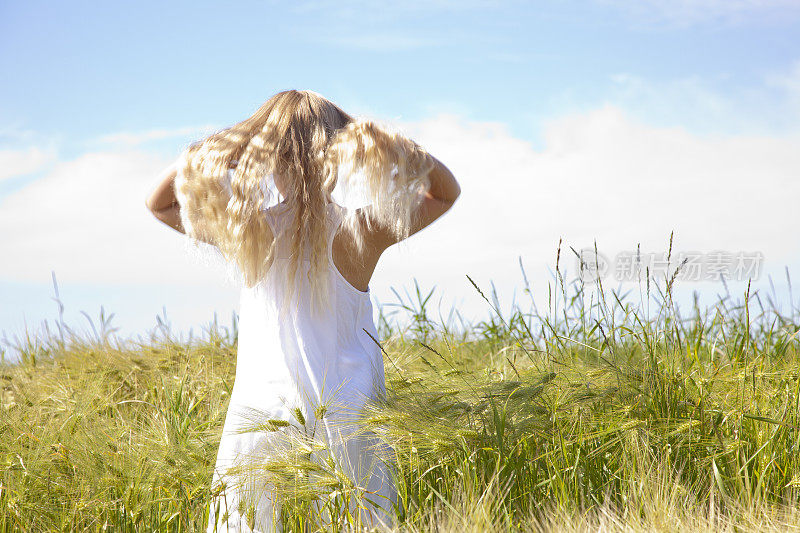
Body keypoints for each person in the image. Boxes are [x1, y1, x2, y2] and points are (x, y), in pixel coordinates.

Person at [145, 89, 461, 531]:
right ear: (342, 154)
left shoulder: (249, 228)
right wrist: (376, 136)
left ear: (266, 156)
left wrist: (232, 140)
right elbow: (445, 192)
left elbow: (158, 202)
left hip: (263, 412)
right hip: (348, 417)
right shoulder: (361, 229)